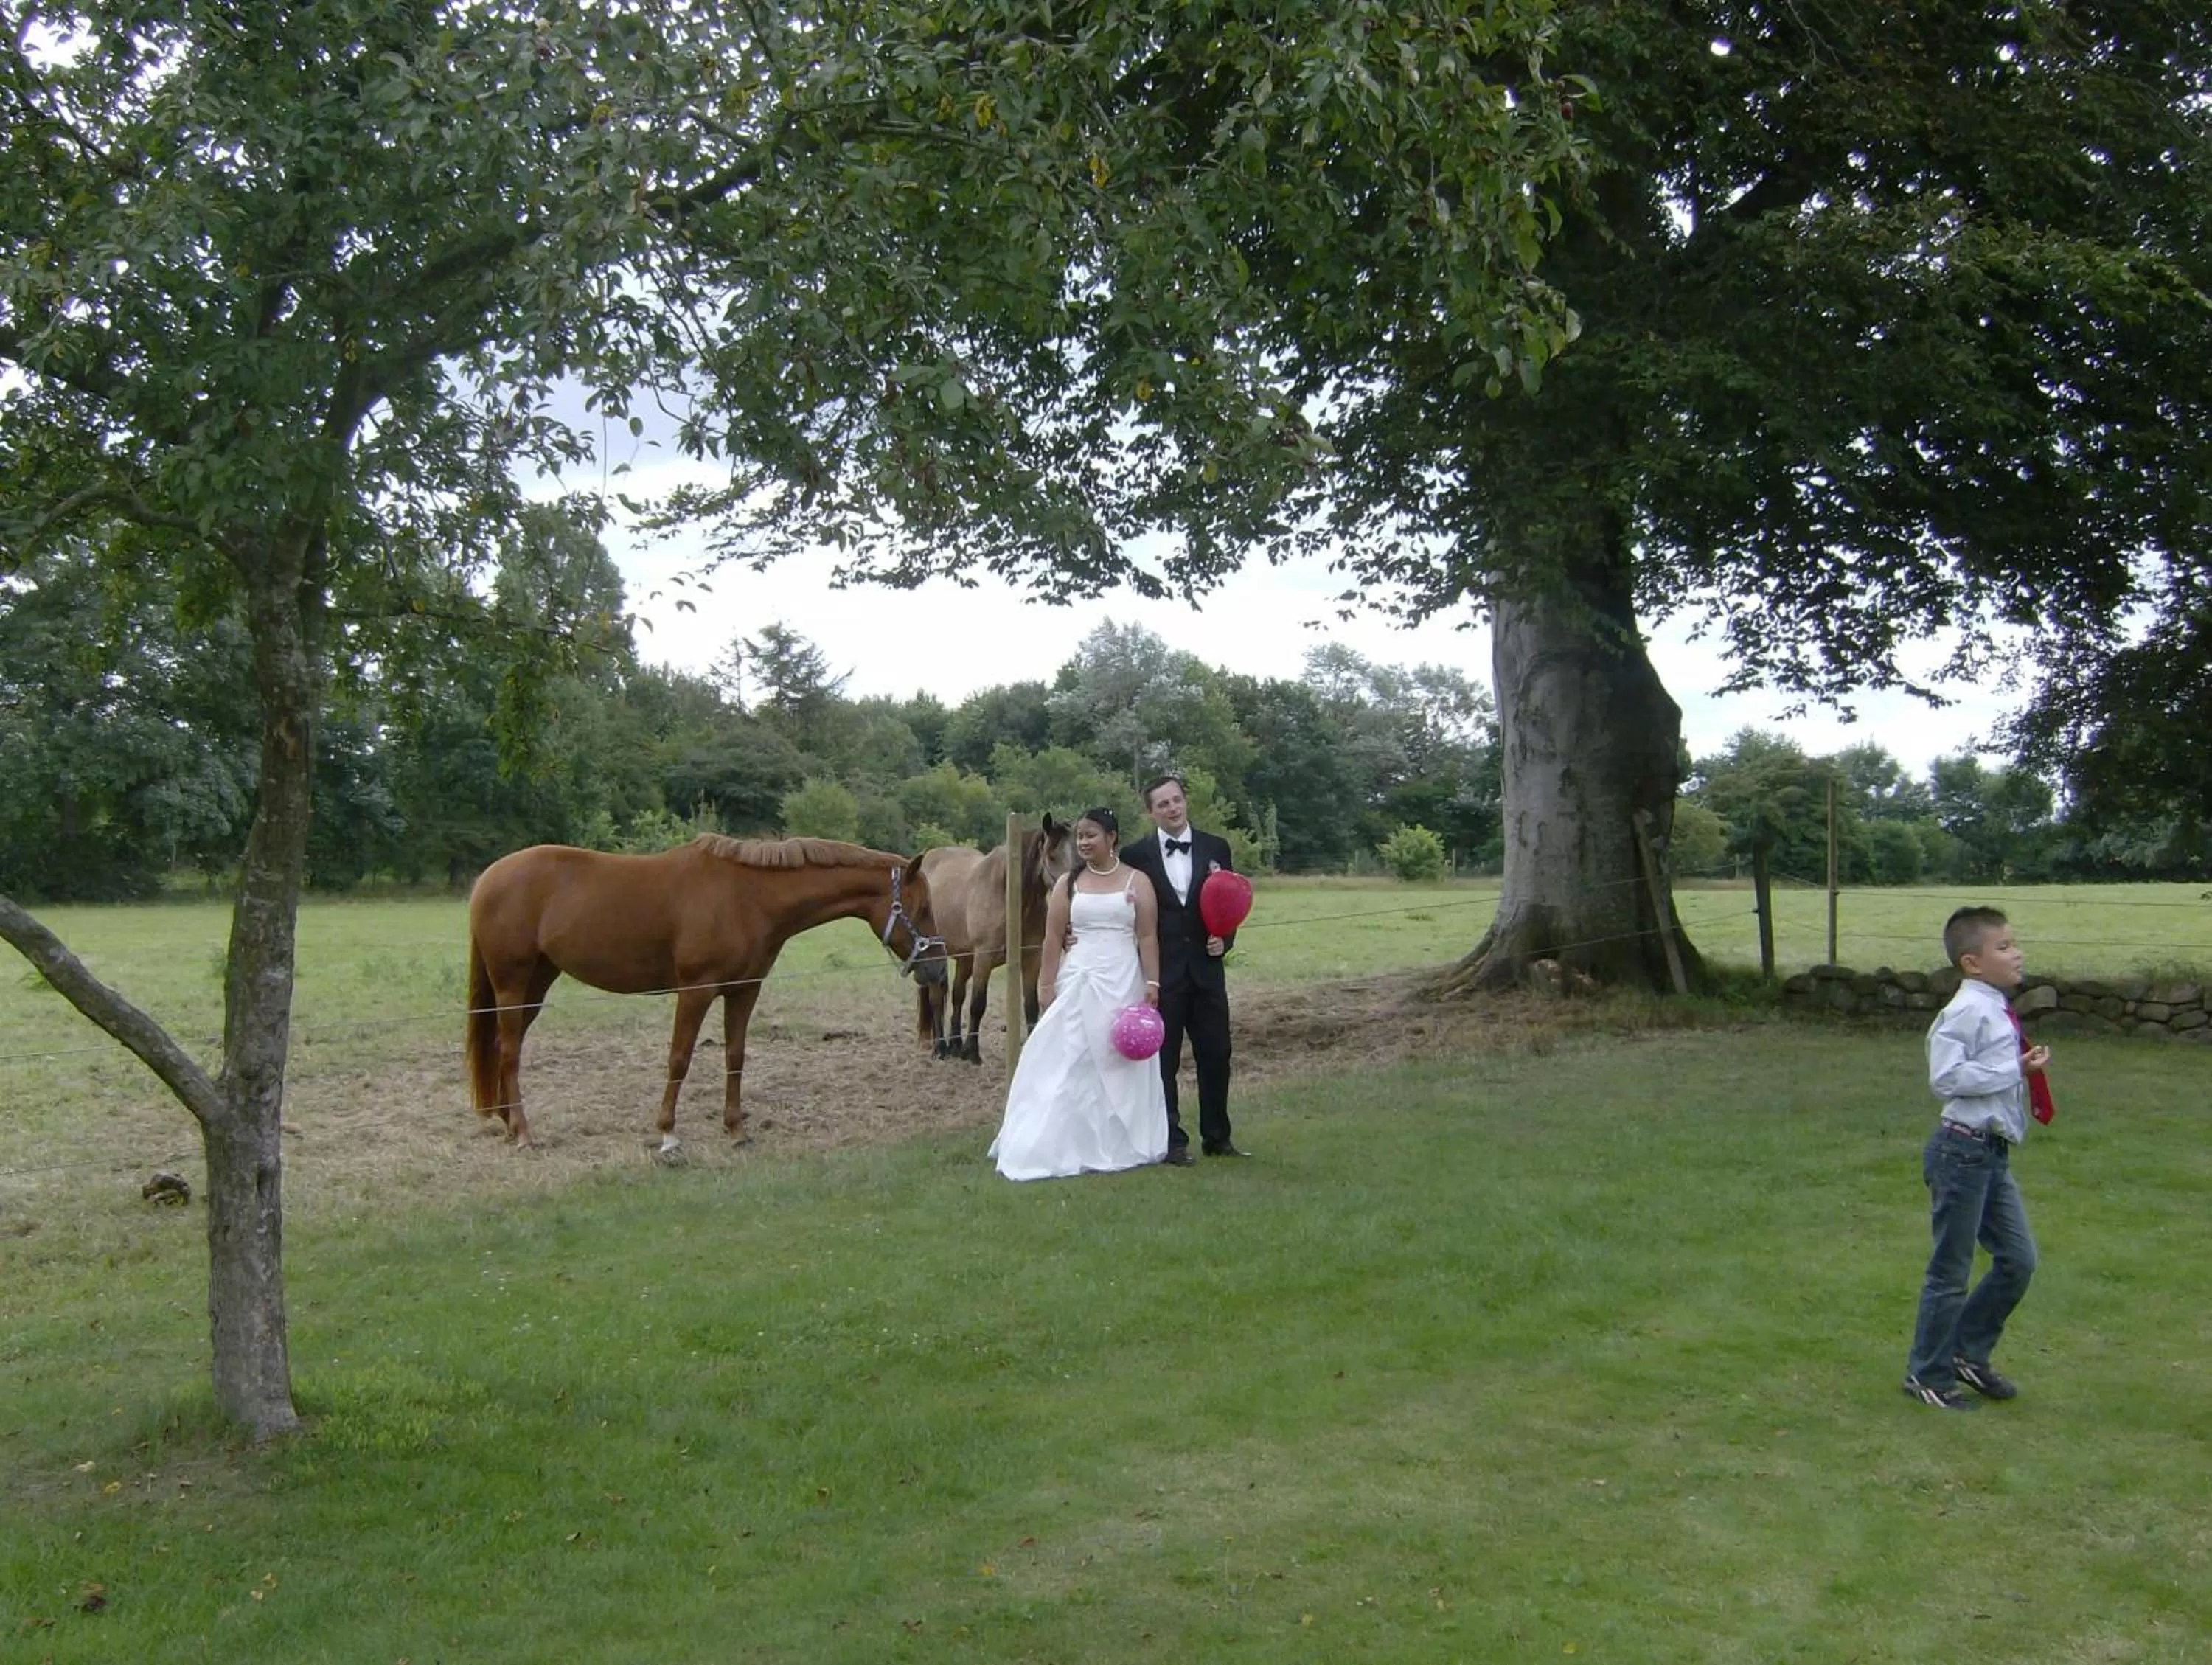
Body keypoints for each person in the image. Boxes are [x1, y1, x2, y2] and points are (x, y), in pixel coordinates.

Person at [1902, 906, 2055, 1410]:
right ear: (1972, 962)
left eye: (2015, 944)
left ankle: (1966, 1352)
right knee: (1950, 1271)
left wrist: (2019, 1067)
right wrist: (2014, 1070)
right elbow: (1945, 1079)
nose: (2018, 954)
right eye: (2004, 947)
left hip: (1990, 1154)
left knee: (2018, 1260)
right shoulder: (1967, 1010)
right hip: (1961, 1152)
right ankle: (1927, 1374)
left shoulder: (1993, 1006)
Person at [988, 808, 1171, 1181]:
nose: (1085, 843)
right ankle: (1061, 1140)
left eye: (1092, 836)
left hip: (1123, 980)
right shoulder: (1067, 883)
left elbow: (1147, 935)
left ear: (1112, 838)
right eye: (1081, 837)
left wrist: (1152, 983)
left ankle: (1120, 1140)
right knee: (1070, 1056)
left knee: (1115, 1058)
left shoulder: (1137, 881)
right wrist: (1046, 985)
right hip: (1079, 978)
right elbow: (1053, 937)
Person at [1119, 774, 1242, 1164]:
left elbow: (1229, 902)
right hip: (1162, 975)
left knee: (1217, 1054)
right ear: (1150, 812)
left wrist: (1225, 939)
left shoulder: (1216, 847)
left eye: (1177, 800)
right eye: (1163, 804)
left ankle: (1218, 1138)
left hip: (1207, 972)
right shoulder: (1135, 856)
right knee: (1164, 1062)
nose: (1172, 808)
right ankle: (1171, 1141)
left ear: (1185, 801)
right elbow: (1118, 908)